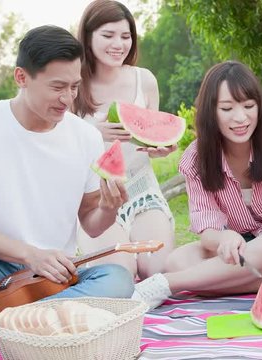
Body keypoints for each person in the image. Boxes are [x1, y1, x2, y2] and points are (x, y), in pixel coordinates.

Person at [0, 25, 134, 359]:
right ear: (21, 77)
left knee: (117, 279)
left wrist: (109, 209)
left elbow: (91, 222)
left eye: (74, 86)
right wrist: (29, 253)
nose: (68, 98)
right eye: (57, 87)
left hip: (51, 282)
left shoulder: (86, 137)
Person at [131, 61, 262, 309]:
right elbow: (207, 228)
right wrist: (224, 237)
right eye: (227, 108)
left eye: (249, 106)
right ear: (210, 111)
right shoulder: (196, 158)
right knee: (177, 260)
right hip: (240, 251)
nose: (240, 118)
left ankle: (168, 284)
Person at [74, 0, 176, 279]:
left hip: (142, 191)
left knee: (159, 272)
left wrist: (161, 147)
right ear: (88, 37)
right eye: (108, 35)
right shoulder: (73, 83)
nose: (118, 44)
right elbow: (54, 144)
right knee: (120, 275)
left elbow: (151, 133)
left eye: (125, 36)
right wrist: (93, 133)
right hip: (94, 199)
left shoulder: (145, 80)